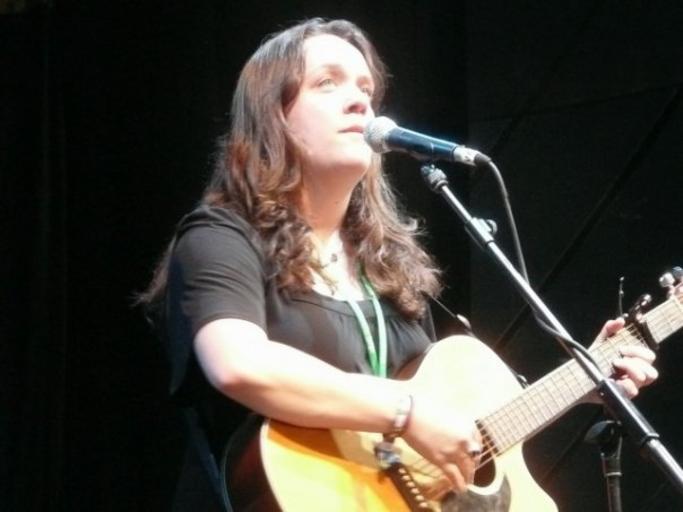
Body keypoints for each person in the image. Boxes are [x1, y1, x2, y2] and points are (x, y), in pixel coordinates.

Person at [140, 18, 658, 510]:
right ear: (272, 115)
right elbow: (239, 364)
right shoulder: (220, 237)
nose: (359, 101)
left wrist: (581, 381)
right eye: (327, 83)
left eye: (366, 88)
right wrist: (406, 414)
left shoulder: (389, 268)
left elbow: (451, 433)